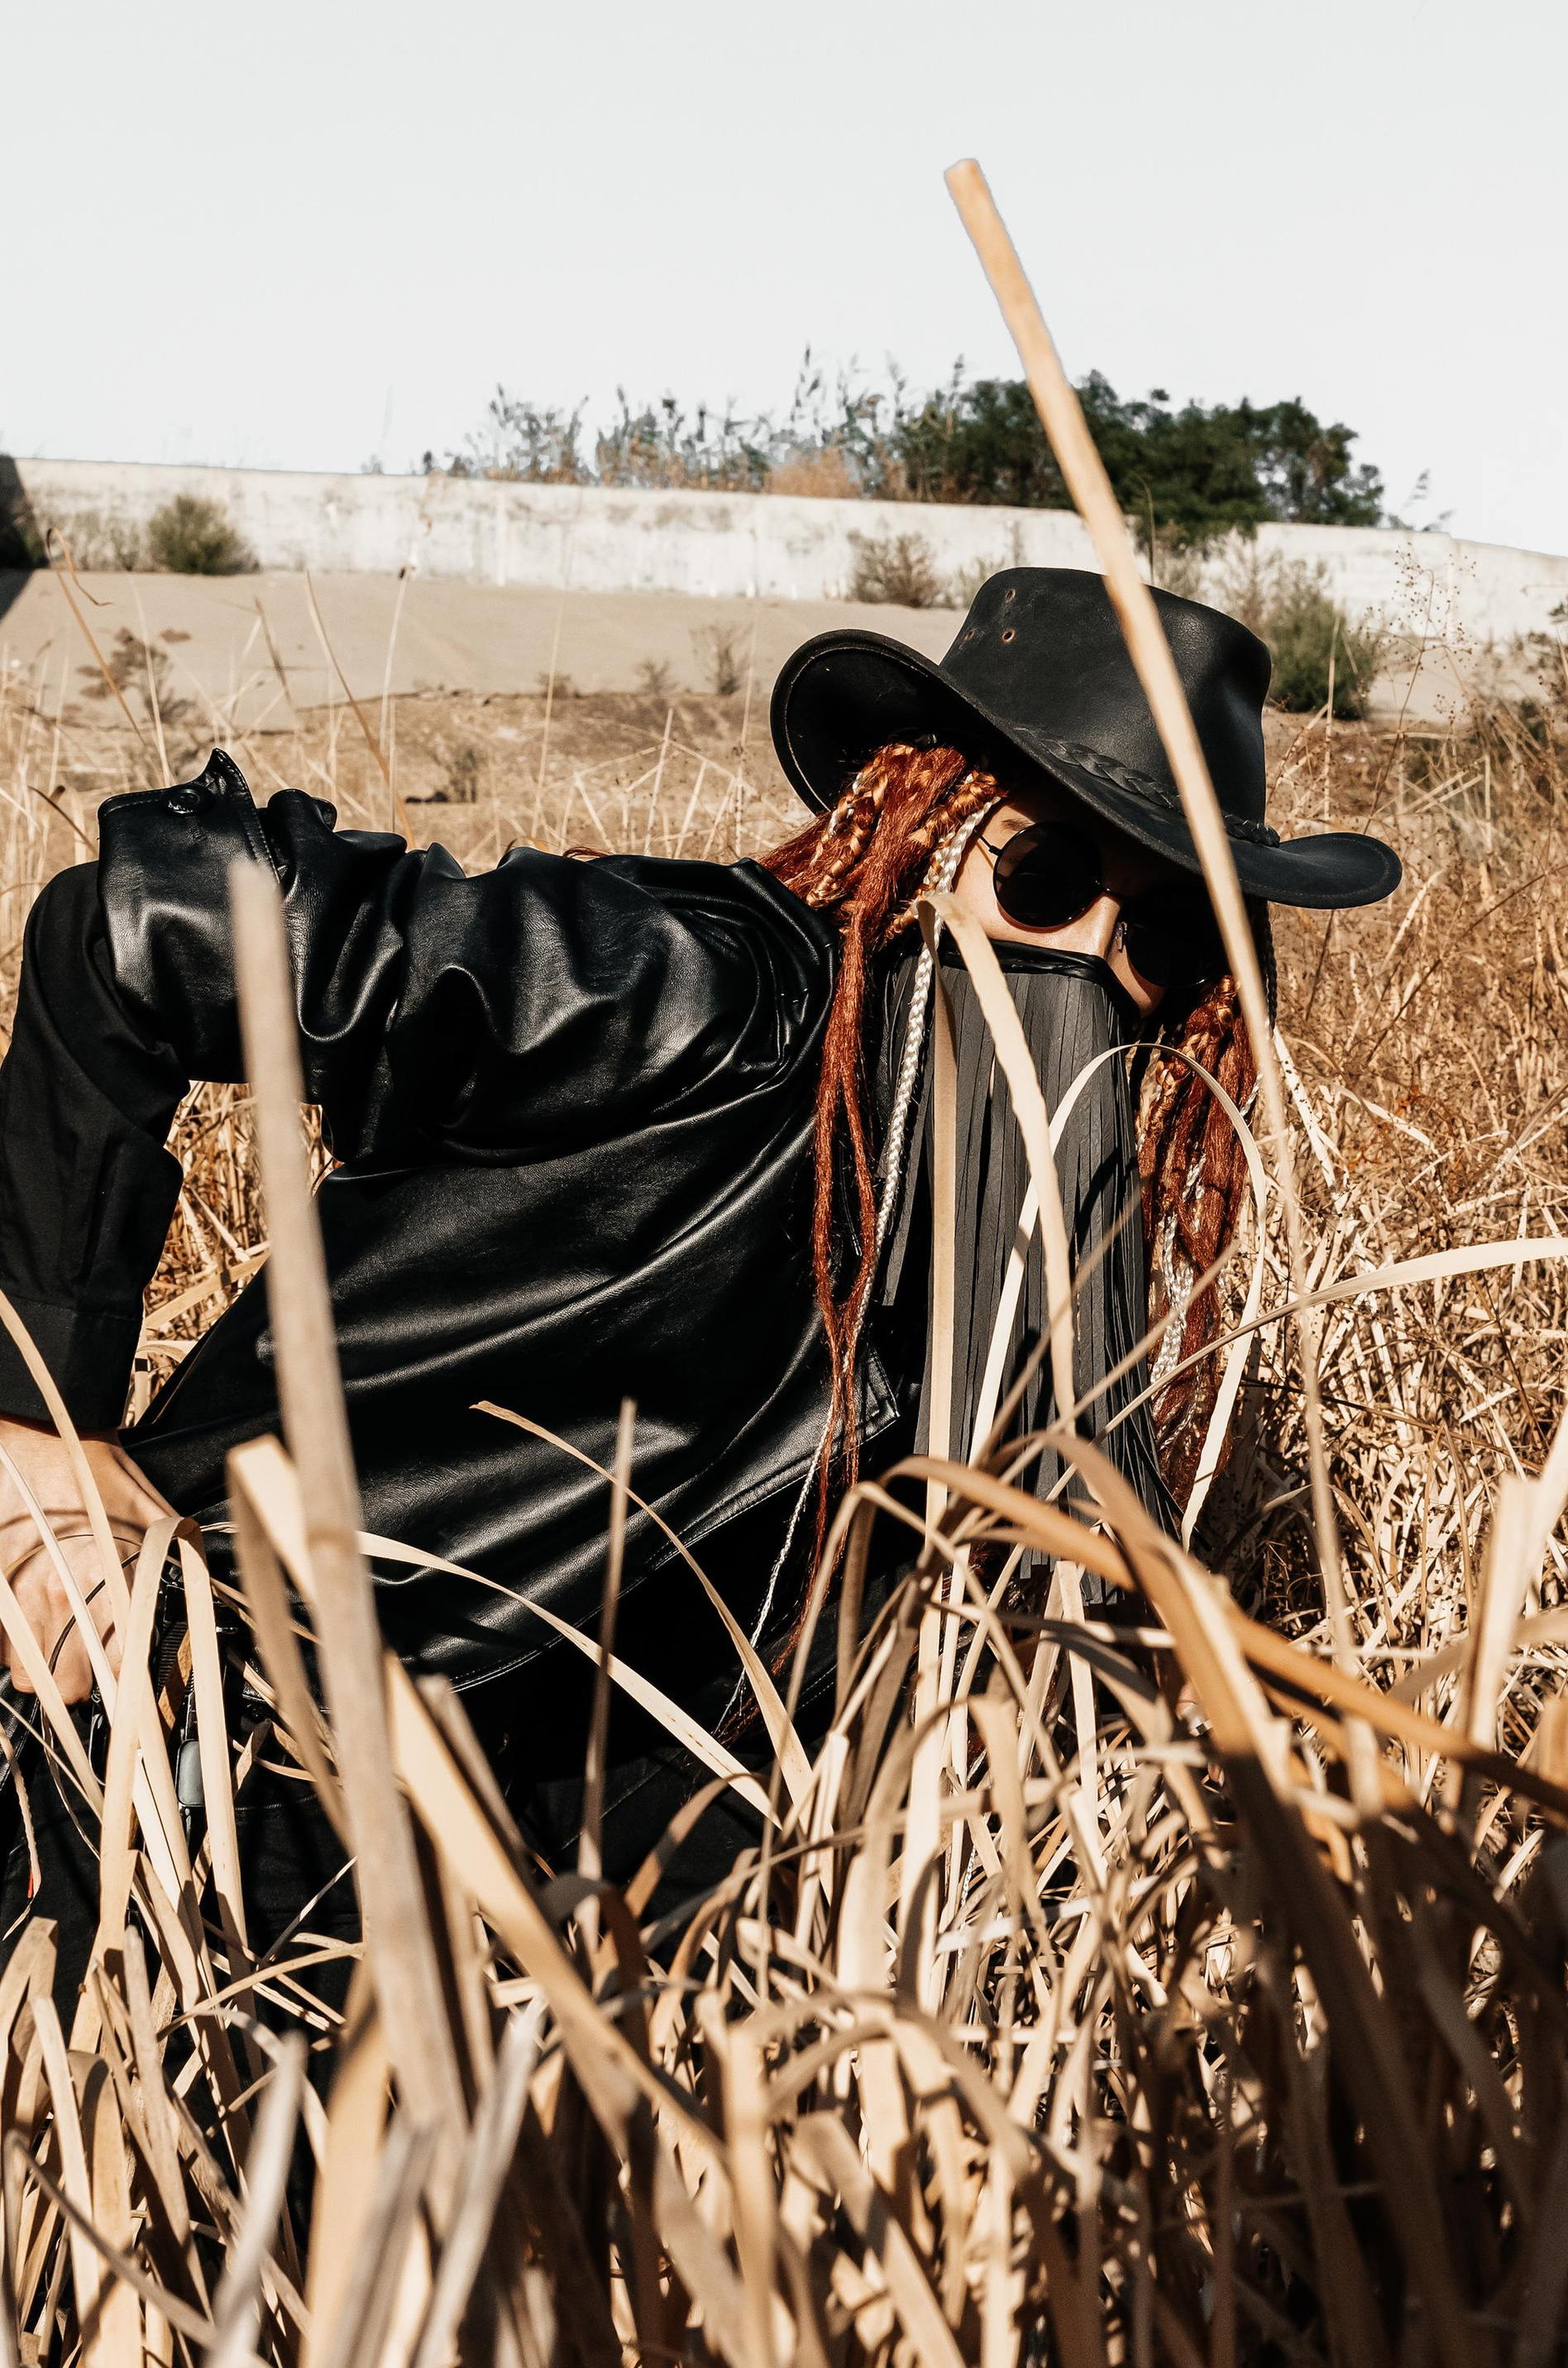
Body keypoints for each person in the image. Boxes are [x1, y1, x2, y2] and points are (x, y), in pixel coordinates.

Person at [0, 567, 1398, 1989]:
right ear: (913, 832)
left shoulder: (1027, 1241)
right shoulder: (692, 996)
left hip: (598, 1891)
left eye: (1163, 935)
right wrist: (38, 1429)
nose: (1093, 956)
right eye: (1042, 878)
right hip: (242, 1748)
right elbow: (134, 928)